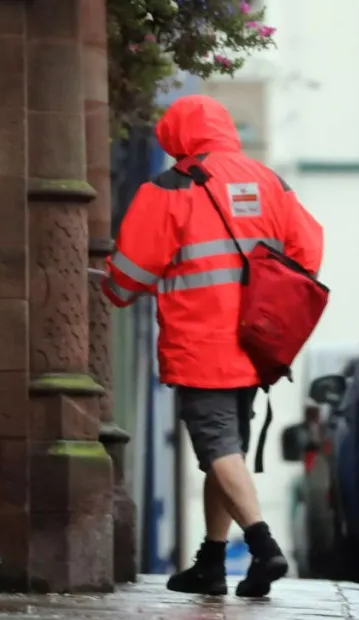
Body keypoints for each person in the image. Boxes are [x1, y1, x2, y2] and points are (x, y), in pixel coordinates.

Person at [101, 95, 324, 597]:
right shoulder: (269, 181)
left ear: (176, 138)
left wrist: (110, 285)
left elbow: (130, 275)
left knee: (219, 448)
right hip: (257, 341)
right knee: (228, 452)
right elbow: (308, 251)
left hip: (200, 342)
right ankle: (212, 563)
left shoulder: (169, 188)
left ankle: (264, 547)